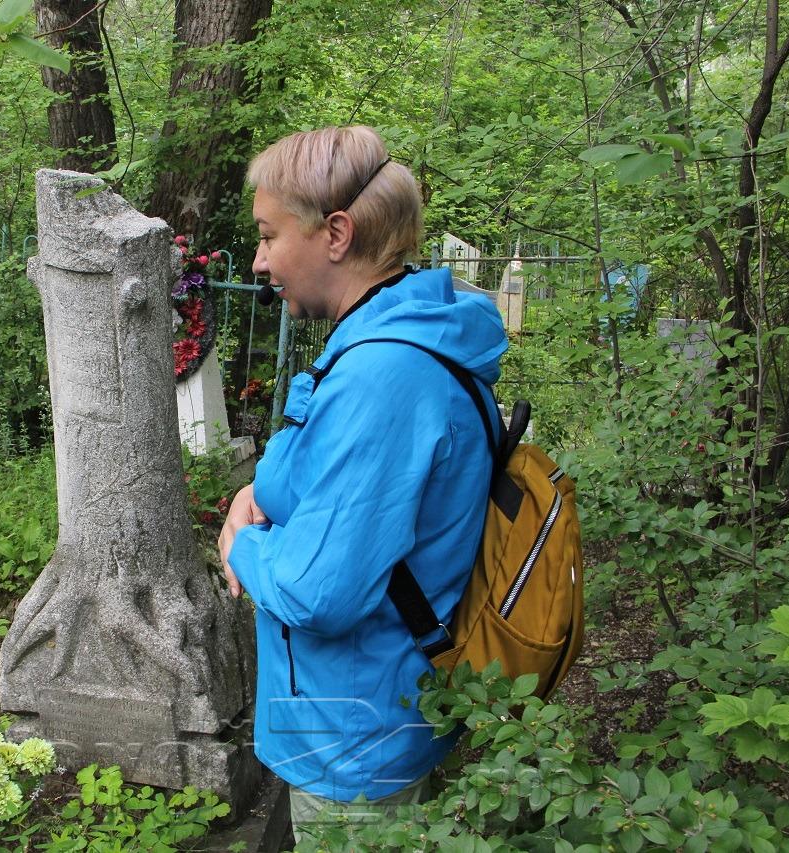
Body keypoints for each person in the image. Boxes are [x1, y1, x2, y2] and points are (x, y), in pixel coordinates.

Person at [217, 126, 507, 841]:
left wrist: (241, 545)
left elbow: (321, 591)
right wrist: (256, 494)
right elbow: (325, 480)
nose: (258, 261)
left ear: (336, 232)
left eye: (268, 235)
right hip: (360, 712)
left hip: (354, 737)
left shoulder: (385, 377)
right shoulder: (385, 334)